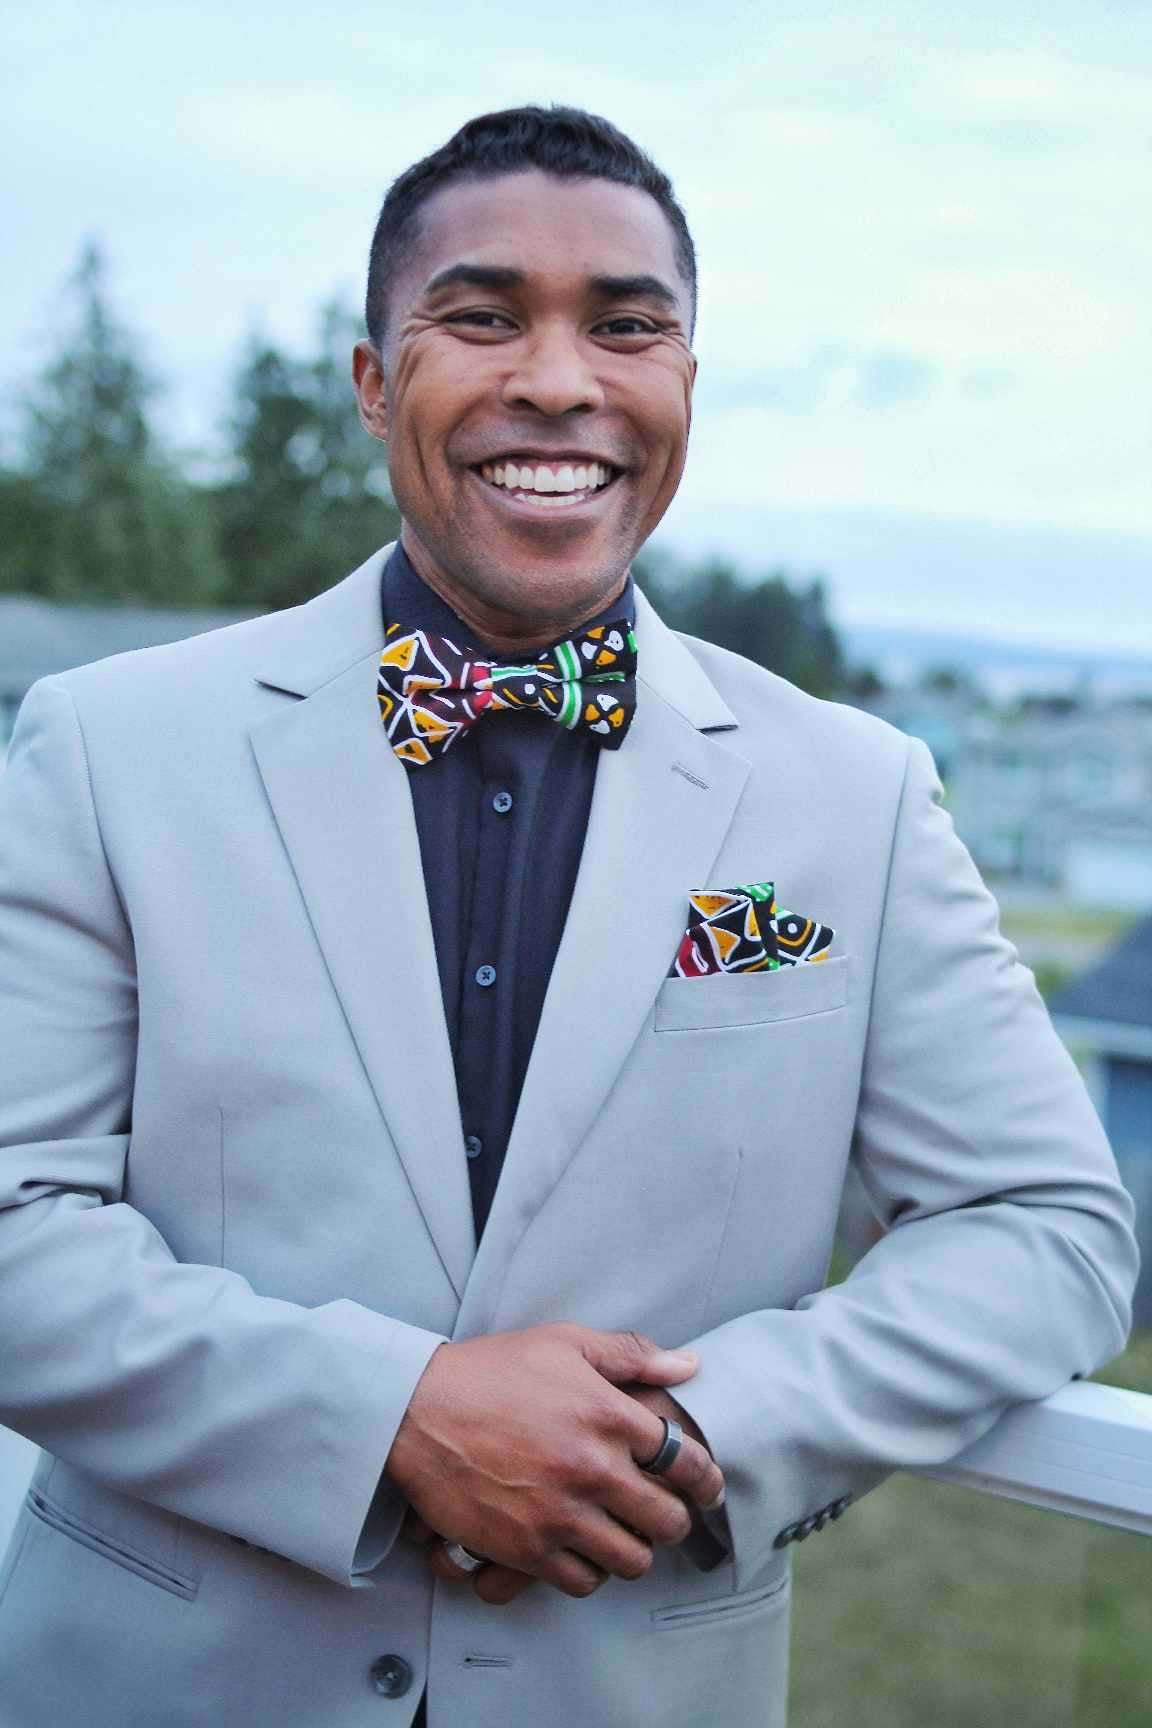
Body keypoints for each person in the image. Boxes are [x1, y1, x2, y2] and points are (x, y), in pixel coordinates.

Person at [0, 105, 1137, 1728]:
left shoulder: (858, 794)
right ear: (377, 383)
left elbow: (1054, 1231)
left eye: (627, 327)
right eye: (481, 317)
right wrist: (391, 1417)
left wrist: (702, 1434)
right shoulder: (109, 745)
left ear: (685, 383)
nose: (558, 378)